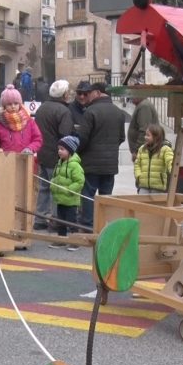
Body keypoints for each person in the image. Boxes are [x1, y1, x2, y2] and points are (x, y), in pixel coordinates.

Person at [77, 82, 126, 228]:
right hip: (110, 164)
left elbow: (82, 138)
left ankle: (88, 225)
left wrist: (78, 152)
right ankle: (104, 225)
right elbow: (121, 138)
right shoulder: (119, 112)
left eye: (89, 92)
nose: (86, 96)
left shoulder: (90, 112)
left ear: (97, 93)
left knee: (88, 196)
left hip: (91, 164)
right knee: (106, 197)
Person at [33, 79, 73, 230]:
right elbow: (65, 135)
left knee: (44, 187)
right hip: (56, 155)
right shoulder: (63, 111)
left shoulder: (42, 108)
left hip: (42, 153)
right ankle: (55, 220)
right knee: (57, 188)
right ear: (64, 94)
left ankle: (40, 218)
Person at [49, 135, 84, 251]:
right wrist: (53, 185)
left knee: (72, 221)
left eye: (62, 149)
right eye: (59, 148)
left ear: (70, 150)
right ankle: (62, 240)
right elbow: (56, 177)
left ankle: (75, 241)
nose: (59, 151)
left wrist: (69, 189)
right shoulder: (59, 163)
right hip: (60, 199)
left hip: (71, 200)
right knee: (60, 221)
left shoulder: (75, 165)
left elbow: (79, 181)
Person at [0, 84, 43, 154]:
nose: (13, 106)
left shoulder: (29, 121)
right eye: (9, 104)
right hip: (6, 161)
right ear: (4, 105)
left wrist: (30, 148)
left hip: (26, 161)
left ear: (20, 104)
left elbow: (38, 139)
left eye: (16, 103)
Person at [134, 123, 173, 194]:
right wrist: (138, 176)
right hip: (143, 185)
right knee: (141, 204)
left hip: (158, 187)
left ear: (156, 137)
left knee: (157, 205)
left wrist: (172, 169)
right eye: (145, 135)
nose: (145, 137)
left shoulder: (165, 149)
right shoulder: (142, 149)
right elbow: (137, 164)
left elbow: (170, 161)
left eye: (148, 135)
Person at [127, 95, 159, 162]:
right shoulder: (142, 105)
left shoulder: (144, 106)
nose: (130, 96)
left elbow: (144, 130)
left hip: (145, 151)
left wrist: (137, 150)